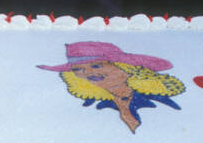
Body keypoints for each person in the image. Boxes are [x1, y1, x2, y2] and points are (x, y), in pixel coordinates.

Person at [38, 41, 185, 133]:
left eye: (96, 66)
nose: (88, 73)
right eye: (77, 69)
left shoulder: (160, 99)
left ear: (125, 67)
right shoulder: (86, 106)